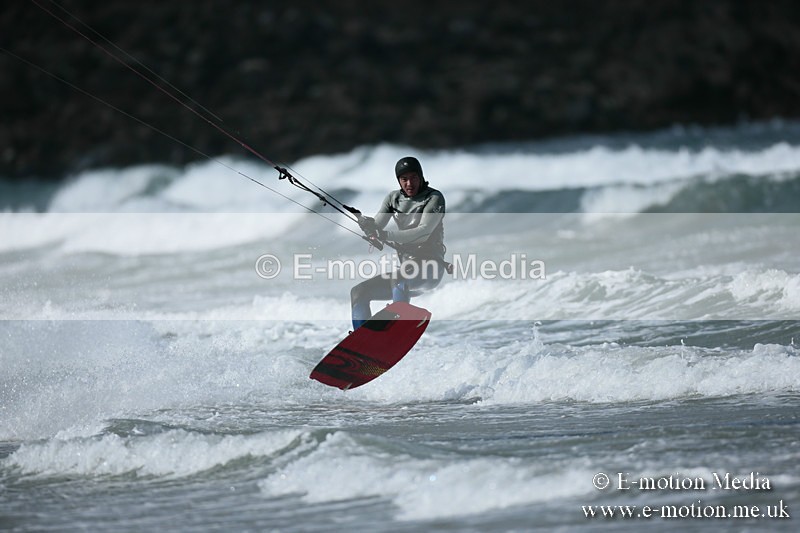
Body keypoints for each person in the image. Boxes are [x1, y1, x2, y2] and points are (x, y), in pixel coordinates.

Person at [351, 156, 447, 329]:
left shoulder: (434, 198)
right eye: (404, 179)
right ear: (399, 181)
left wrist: (385, 234)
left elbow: (423, 232)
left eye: (413, 178)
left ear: (421, 177)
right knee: (359, 292)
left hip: (430, 269)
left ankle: (398, 327)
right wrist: (367, 226)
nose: (409, 183)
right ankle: (362, 340)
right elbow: (377, 226)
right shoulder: (393, 199)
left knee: (399, 277)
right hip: (405, 273)